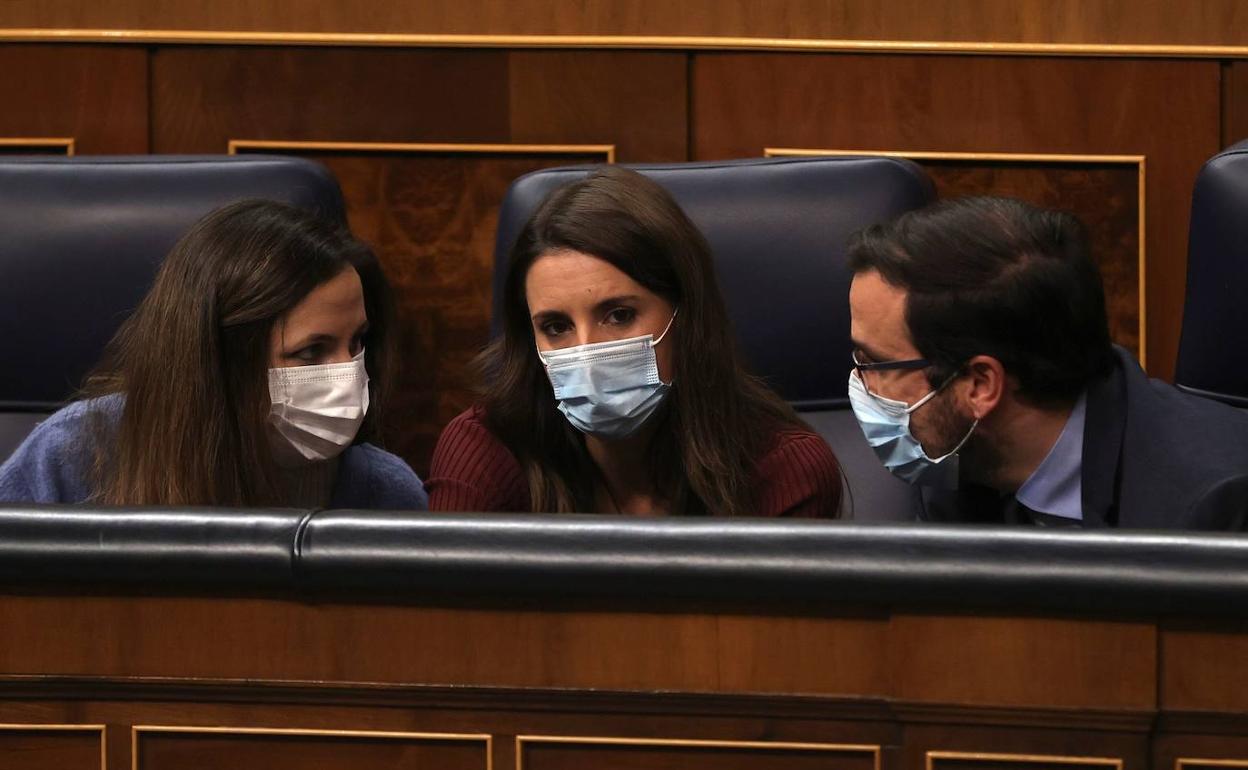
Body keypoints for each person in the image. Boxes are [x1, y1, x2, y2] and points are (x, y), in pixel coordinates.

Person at [426, 166, 841, 516]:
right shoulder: (487, 449)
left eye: (619, 315)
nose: (586, 351)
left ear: (686, 316)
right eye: (556, 327)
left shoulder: (783, 469)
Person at [846, 195, 1248, 529]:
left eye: (874, 365)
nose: (861, 386)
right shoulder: (950, 459)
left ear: (980, 385)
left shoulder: (1214, 511)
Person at [0, 199, 427, 509]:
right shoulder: (70, 458)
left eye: (356, 344)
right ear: (218, 358)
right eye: (311, 351)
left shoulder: (384, 492)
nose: (348, 374)